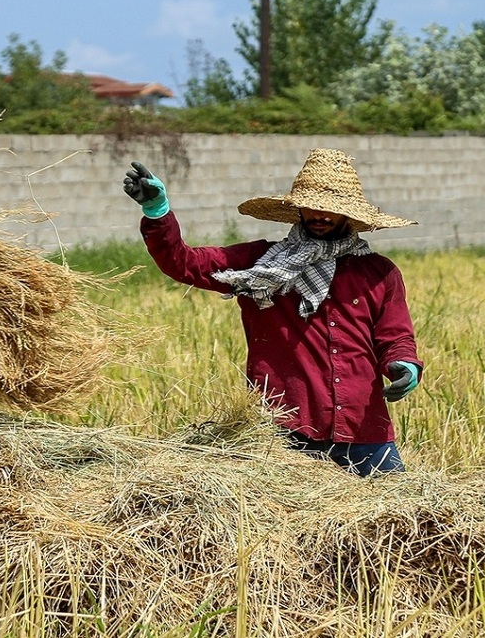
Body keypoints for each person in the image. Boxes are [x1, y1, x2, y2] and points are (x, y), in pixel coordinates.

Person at [121, 148, 423, 476]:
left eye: (331, 210)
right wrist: (157, 212)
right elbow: (184, 263)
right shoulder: (260, 264)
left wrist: (404, 366)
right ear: (297, 209)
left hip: (362, 426)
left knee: (398, 511)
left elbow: (396, 336)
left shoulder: (378, 272)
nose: (320, 215)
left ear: (349, 215)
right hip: (284, 427)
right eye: (312, 207)